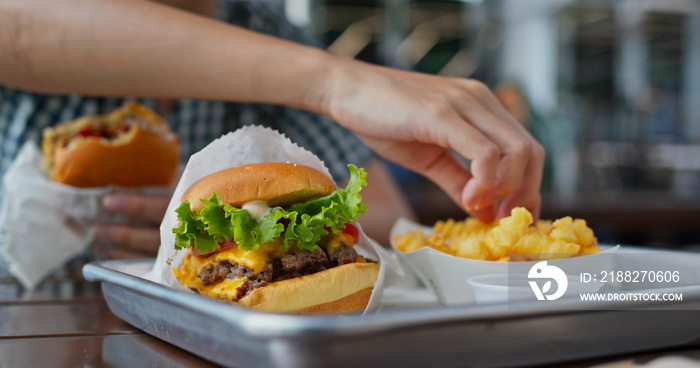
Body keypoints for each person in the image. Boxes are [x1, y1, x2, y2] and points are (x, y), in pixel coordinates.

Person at [0, 0, 544, 259]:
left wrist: (243, 222)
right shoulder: (42, 19)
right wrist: (340, 82)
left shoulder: (269, 31)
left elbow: (387, 216)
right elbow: (16, 31)